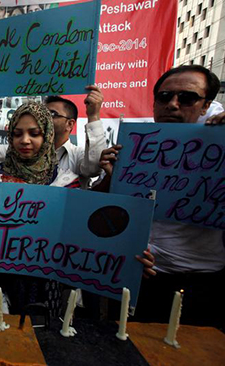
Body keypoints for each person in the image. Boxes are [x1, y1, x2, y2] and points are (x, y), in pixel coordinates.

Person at [0, 101, 155, 315]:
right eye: (17, 134)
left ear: (46, 136)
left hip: (49, 284)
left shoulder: (65, 182)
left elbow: (83, 230)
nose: (24, 141)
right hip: (0, 279)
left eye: (34, 133)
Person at [99, 65, 225, 328]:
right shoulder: (134, 148)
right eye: (165, 97)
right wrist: (112, 178)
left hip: (196, 284)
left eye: (187, 98)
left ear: (206, 105)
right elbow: (99, 216)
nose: (173, 105)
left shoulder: (219, 148)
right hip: (134, 278)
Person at [0, 87, 107, 188]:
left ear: (70, 124)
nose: (43, 117)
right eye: (18, 134)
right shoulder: (17, 154)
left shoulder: (76, 157)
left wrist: (94, 116)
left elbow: (93, 169)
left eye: (52, 114)